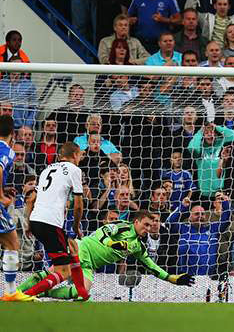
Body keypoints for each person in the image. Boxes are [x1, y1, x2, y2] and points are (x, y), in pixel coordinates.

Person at [17, 210, 195, 300]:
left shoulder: (139, 246)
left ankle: (42, 293)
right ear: (136, 221)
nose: (147, 229)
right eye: (145, 224)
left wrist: (173, 279)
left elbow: (152, 267)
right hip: (80, 250)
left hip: (89, 265)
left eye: (150, 226)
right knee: (52, 273)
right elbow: (102, 232)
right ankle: (15, 293)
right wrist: (113, 243)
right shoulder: (123, 226)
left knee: (84, 292)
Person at [20, 142, 89, 301]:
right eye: (79, 156)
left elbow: (31, 200)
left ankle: (82, 293)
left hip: (37, 220)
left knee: (73, 249)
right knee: (64, 271)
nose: (79, 159)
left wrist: (29, 224)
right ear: (74, 155)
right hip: (50, 222)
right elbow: (78, 205)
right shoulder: (74, 170)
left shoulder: (46, 170)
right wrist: (76, 226)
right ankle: (26, 295)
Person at [0, 115, 30, 301]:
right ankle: (10, 292)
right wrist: (1, 196)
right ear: (12, 134)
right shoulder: (6, 150)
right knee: (12, 244)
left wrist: (3, 188)